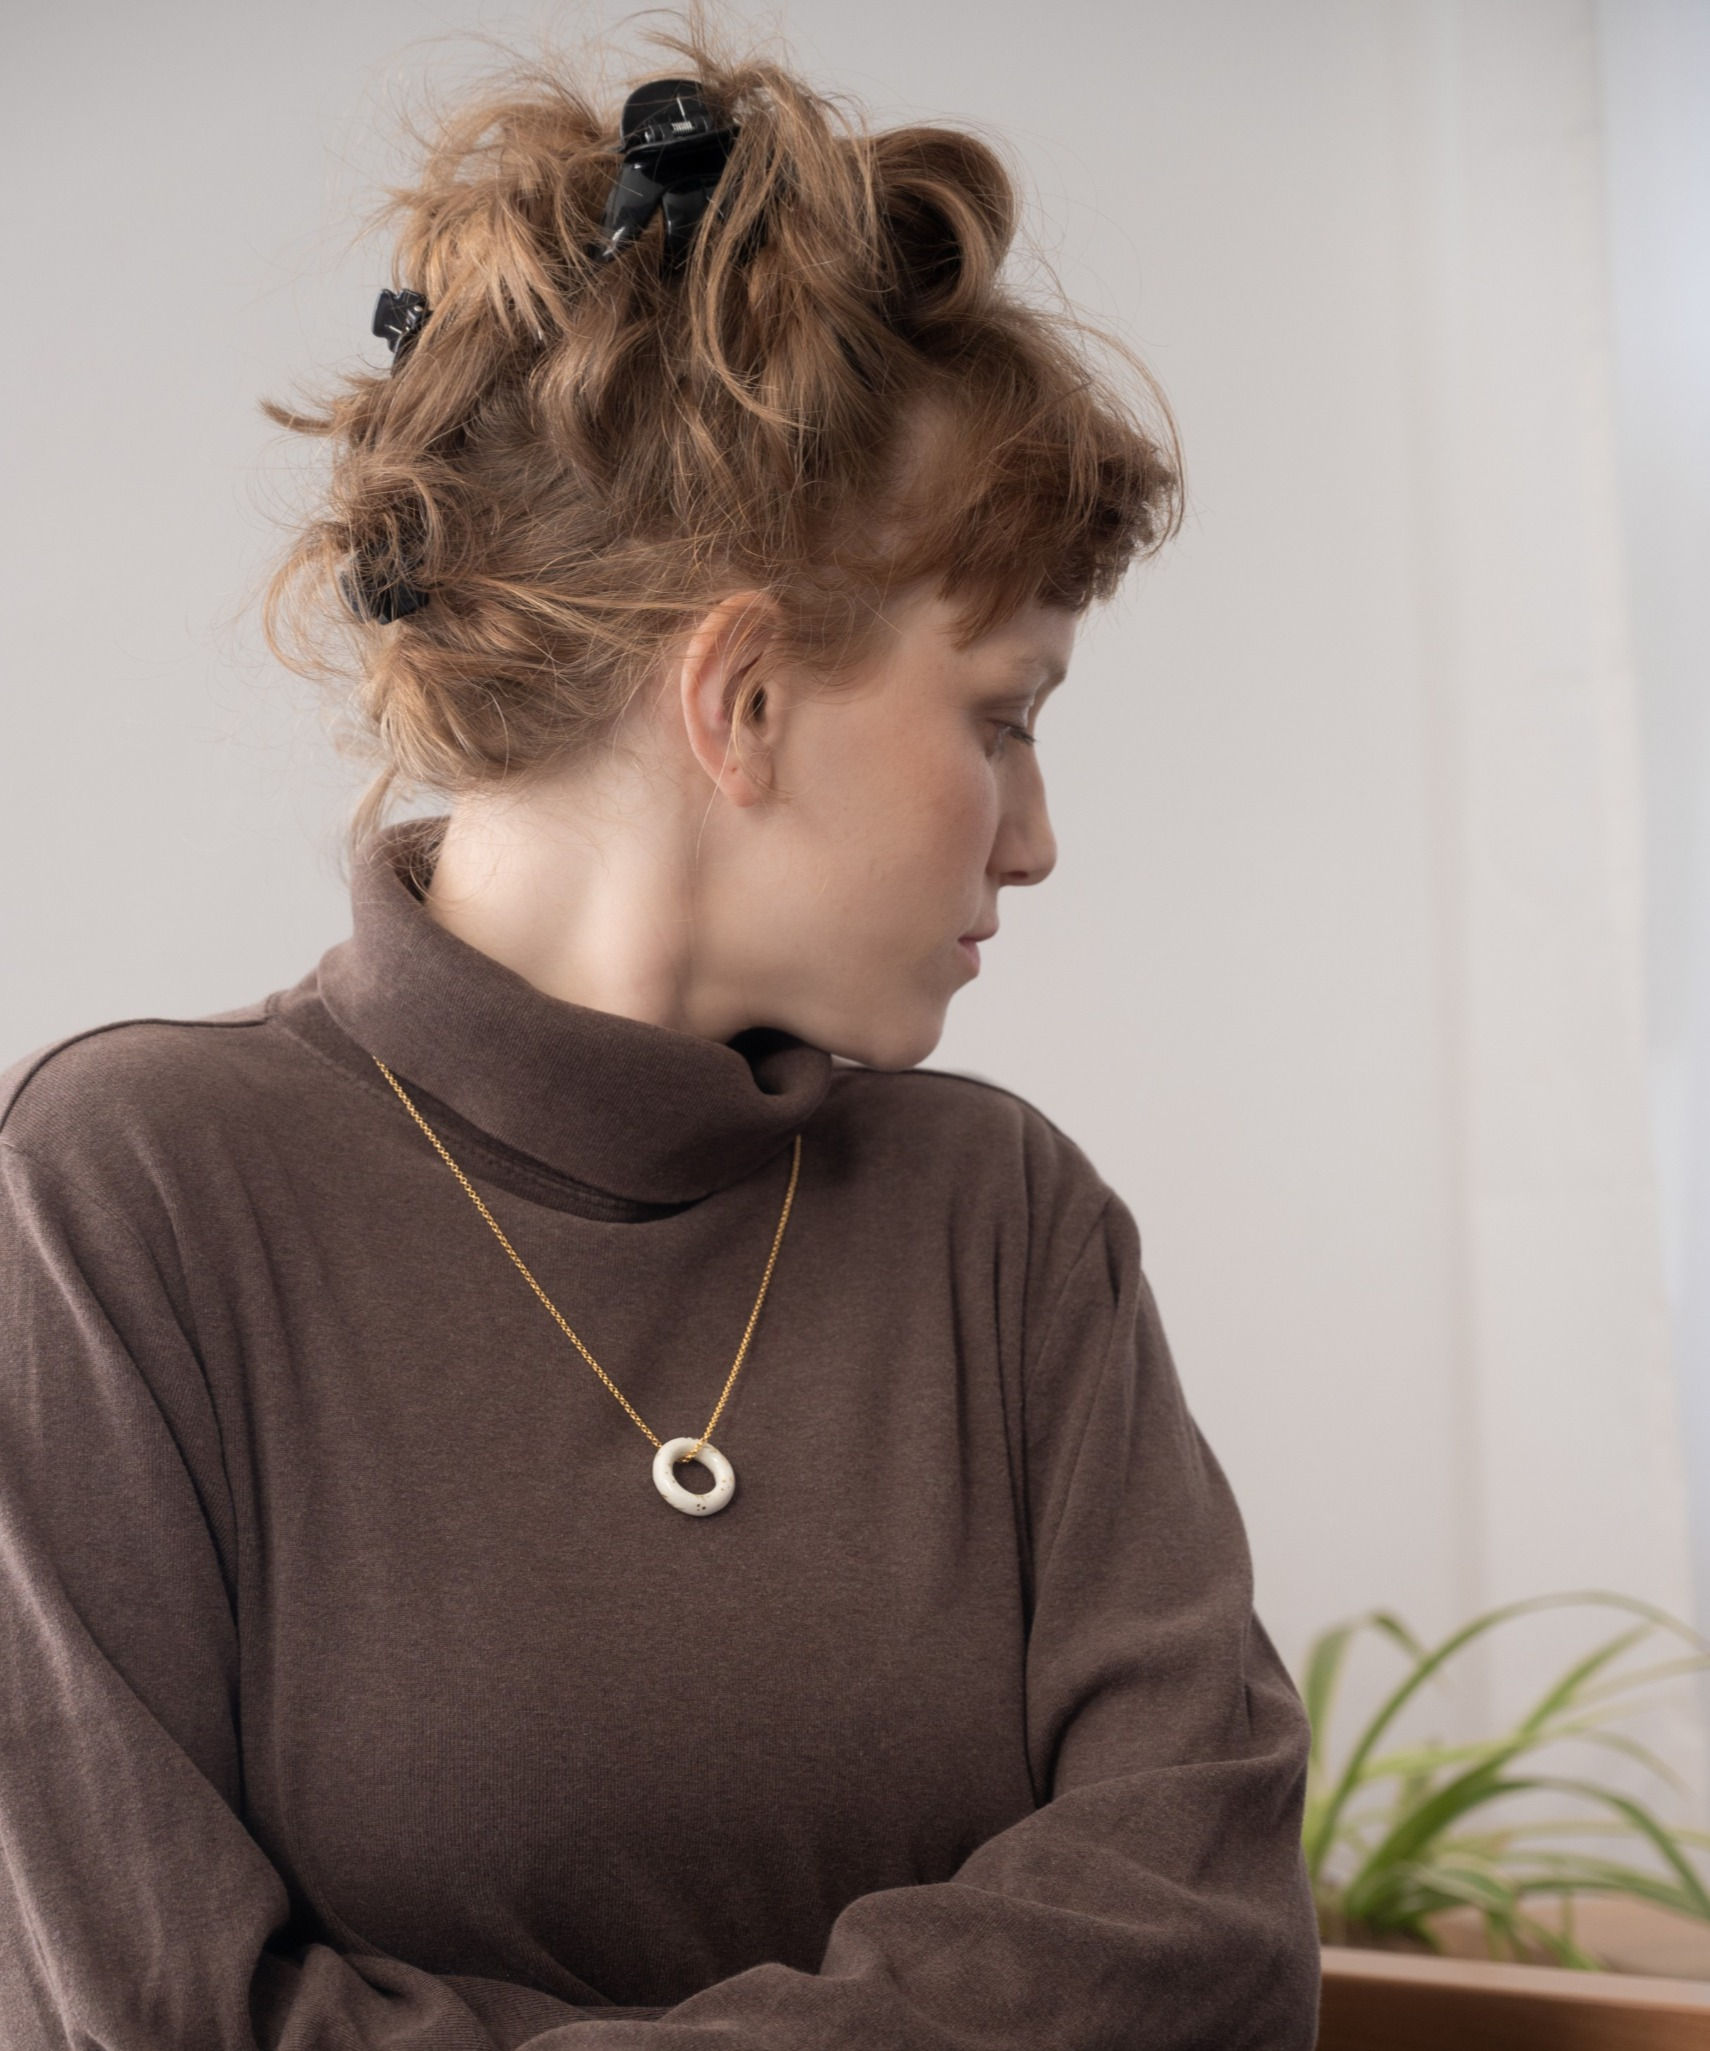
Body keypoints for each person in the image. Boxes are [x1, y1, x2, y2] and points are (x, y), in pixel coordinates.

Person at [0, 17, 1320, 2048]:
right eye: (1004, 717)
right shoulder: (124, 1202)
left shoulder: (1006, 1225)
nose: (1038, 841)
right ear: (743, 699)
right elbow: (157, 2017)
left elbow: (1213, 1949)